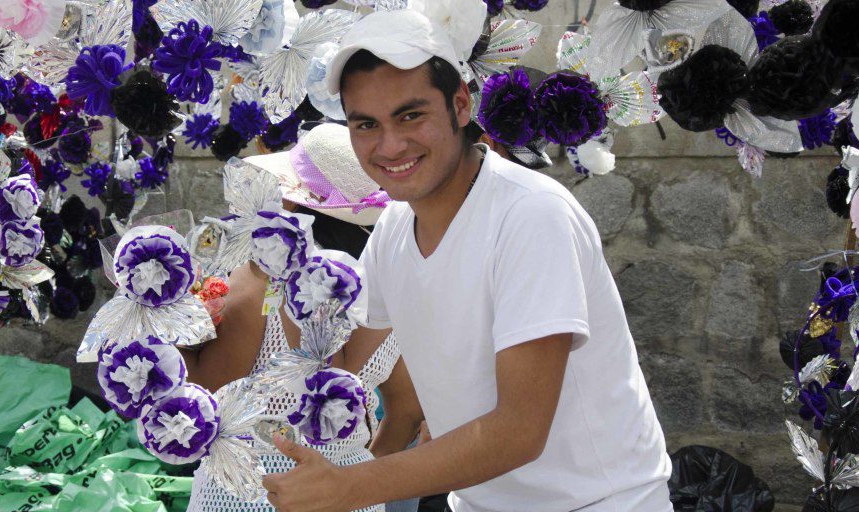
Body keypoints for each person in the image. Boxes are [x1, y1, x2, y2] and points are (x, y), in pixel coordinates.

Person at [262, 9, 673, 512]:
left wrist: (353, 485)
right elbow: (342, 357)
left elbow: (520, 431)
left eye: (410, 115)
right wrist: (279, 269)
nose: (390, 145)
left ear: (460, 104)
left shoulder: (530, 215)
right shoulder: (394, 228)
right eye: (366, 124)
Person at [181, 123, 425, 512]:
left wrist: (170, 327)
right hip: (350, 495)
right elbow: (408, 410)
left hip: (253, 494)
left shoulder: (263, 279)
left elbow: (211, 394)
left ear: (293, 204)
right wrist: (355, 474)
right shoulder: (389, 295)